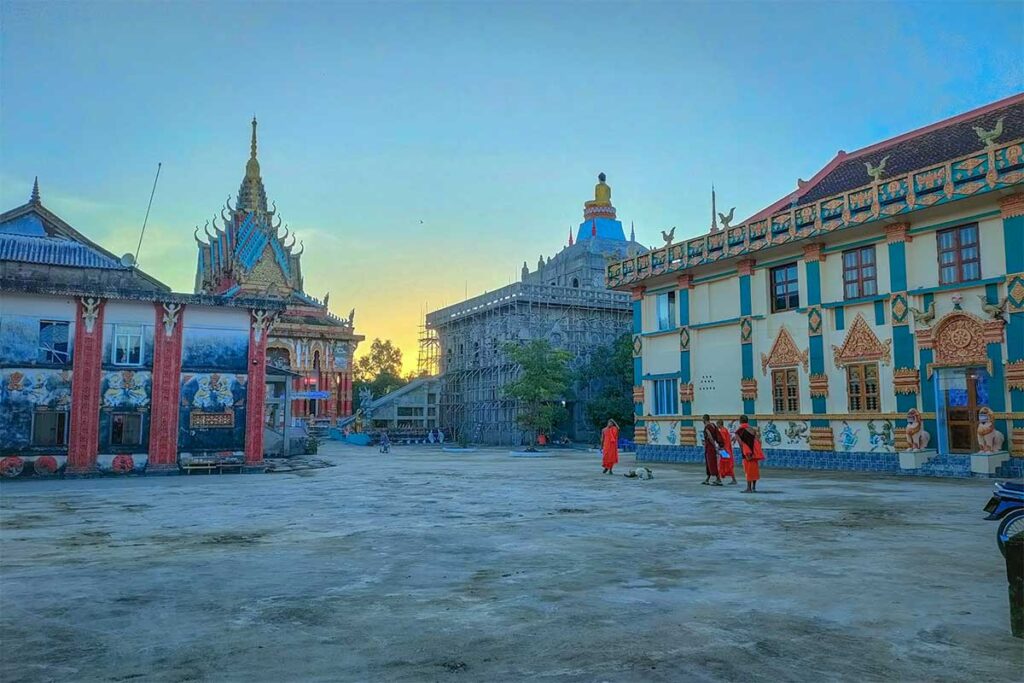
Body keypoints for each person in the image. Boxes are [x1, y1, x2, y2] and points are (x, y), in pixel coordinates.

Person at [735, 415, 764, 493]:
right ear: (747, 421)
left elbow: (741, 444)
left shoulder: (738, 431)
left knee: (748, 470)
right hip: (754, 453)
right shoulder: (752, 430)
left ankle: (749, 488)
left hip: (747, 453)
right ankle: (754, 487)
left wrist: (744, 453)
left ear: (740, 421)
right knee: (754, 470)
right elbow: (757, 441)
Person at [701, 414, 723, 486]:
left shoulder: (707, 427)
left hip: (710, 447)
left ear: (704, 420)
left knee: (711, 463)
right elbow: (717, 435)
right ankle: (707, 479)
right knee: (708, 463)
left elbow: (710, 437)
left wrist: (714, 446)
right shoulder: (713, 425)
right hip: (710, 446)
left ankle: (718, 479)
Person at [716, 419, 738, 485]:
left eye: (717, 424)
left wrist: (719, 448)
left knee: (721, 464)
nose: (717, 426)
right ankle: (733, 479)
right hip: (727, 450)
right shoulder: (725, 430)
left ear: (719, 424)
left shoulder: (722, 431)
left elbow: (723, 441)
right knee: (727, 465)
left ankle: (718, 479)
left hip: (724, 450)